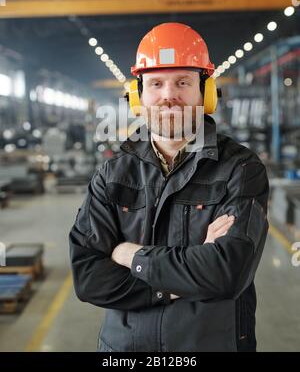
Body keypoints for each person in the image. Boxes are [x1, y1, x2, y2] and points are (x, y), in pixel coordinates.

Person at [69, 22, 269, 352]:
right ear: (138, 96)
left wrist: (127, 253)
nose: (168, 95)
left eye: (182, 82)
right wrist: (185, 277)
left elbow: (226, 275)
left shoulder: (241, 169)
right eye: (156, 83)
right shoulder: (113, 174)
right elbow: (89, 278)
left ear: (204, 93)